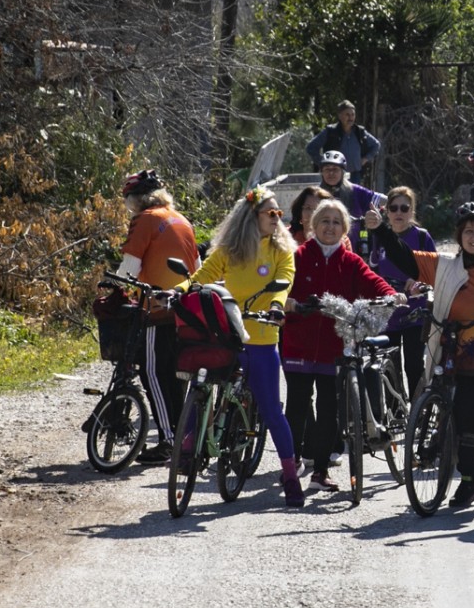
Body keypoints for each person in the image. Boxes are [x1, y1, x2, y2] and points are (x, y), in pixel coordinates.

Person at [368, 201, 474, 513]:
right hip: (455, 362)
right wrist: (381, 229)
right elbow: (404, 258)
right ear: (459, 236)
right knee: (462, 426)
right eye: (468, 231)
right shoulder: (443, 265)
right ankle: (469, 481)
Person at [174, 187, 304, 507]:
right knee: (199, 381)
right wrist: (178, 289)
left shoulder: (282, 250)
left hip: (261, 336)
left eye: (279, 214)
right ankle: (188, 445)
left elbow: (285, 282)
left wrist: (275, 305)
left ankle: (290, 475)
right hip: (229, 334)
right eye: (271, 213)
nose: (277, 219)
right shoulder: (231, 249)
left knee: (272, 410)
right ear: (251, 217)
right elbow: (203, 276)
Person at [281, 199, 398, 492]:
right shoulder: (296, 256)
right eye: (324, 220)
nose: (330, 226)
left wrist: (391, 295)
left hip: (335, 347)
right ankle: (290, 464)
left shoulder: (351, 262)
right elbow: (278, 289)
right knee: (295, 408)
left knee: (328, 409)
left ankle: (320, 471)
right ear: (313, 226)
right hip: (298, 344)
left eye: (336, 222)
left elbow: (375, 282)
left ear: (344, 228)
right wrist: (291, 305)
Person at [115, 170, 199, 466]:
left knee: (152, 373)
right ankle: (183, 436)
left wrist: (112, 289)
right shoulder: (181, 220)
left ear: (136, 200)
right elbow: (197, 266)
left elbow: (128, 269)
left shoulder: (145, 219)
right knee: (175, 376)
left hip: (156, 308)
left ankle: (166, 439)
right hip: (186, 309)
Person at [365, 186, 437, 395]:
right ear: (386, 211)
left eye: (404, 208)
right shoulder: (378, 236)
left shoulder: (422, 237)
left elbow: (434, 271)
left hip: (416, 313)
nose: (398, 213)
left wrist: (417, 281)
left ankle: (418, 414)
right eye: (393, 208)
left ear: (412, 211)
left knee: (413, 366)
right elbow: (372, 269)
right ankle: (395, 415)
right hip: (389, 313)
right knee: (389, 368)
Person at [305, 99, 381, 184]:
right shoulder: (330, 131)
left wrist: (365, 159)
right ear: (340, 116)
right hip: (334, 176)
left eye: (353, 115)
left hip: (355, 176)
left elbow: (376, 145)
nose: (350, 118)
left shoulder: (359, 131)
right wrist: (324, 164)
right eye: (347, 115)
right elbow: (310, 148)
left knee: (354, 197)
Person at [315, 150, 386, 218]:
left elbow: (385, 201)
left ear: (342, 172)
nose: (331, 173)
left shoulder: (355, 191)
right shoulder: (315, 194)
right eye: (327, 169)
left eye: (335, 169)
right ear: (322, 172)